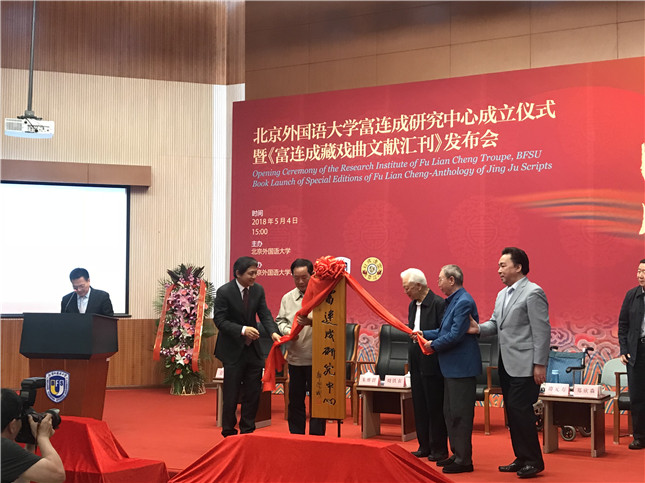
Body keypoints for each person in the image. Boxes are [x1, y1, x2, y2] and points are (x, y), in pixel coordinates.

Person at [469, 247, 550, 478]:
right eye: (498, 266)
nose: (499, 270)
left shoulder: (533, 292)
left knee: (521, 411)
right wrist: (477, 329)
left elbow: (542, 331)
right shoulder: (502, 294)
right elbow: (496, 324)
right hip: (506, 363)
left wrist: (540, 364)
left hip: (526, 365)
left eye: (503, 265)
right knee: (512, 413)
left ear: (518, 267)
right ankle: (521, 457)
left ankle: (534, 461)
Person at [418, 264, 481, 474]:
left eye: (440, 279)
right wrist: (423, 333)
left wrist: (432, 346)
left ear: (452, 280)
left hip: (462, 369)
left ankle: (464, 460)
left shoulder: (463, 301)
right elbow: (443, 330)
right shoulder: (453, 301)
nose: (438, 283)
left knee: (460, 415)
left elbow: (455, 335)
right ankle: (457, 454)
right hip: (451, 368)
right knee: (450, 413)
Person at [213, 256, 281, 437]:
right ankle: (228, 432)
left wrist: (273, 332)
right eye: (251, 273)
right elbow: (220, 321)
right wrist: (242, 330)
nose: (254, 277)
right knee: (231, 394)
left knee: (253, 393)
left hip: (253, 350)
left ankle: (247, 431)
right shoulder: (224, 292)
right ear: (238, 273)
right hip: (232, 350)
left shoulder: (258, 290)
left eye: (256, 273)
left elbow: (265, 314)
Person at [401, 268, 448, 461]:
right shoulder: (412, 305)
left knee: (434, 406)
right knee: (419, 404)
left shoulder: (438, 304)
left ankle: (439, 449)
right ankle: (424, 446)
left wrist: (425, 336)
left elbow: (443, 331)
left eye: (407, 287)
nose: (405, 291)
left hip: (432, 360)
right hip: (415, 358)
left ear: (419, 286)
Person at [275, 258, 326, 436]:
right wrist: (288, 331)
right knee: (295, 399)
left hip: (318, 358)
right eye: (296, 278)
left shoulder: (323, 296)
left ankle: (317, 437)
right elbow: (280, 320)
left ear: (313, 275)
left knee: (317, 401)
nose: (301, 282)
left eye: (304, 277)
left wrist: (312, 322)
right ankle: (296, 435)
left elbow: (332, 322)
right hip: (295, 357)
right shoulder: (287, 298)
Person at [1, 389, 65, 483]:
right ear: (12, 425)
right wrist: (43, 437)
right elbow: (57, 475)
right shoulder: (3, 447)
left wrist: (30, 443)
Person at [618, 258, 645, 450]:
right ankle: (639, 436)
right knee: (637, 396)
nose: (640, 275)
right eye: (639, 271)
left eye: (644, 272)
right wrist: (624, 350)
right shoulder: (631, 295)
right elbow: (623, 325)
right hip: (637, 352)